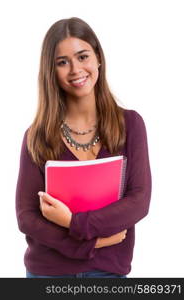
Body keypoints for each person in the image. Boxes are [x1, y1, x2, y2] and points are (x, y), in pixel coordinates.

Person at [15, 17, 152, 278]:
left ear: (98, 57)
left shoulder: (131, 125)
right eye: (62, 62)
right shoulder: (37, 136)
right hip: (48, 274)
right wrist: (92, 242)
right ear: (51, 71)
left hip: (108, 272)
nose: (75, 69)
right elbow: (27, 218)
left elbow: (138, 202)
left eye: (82, 56)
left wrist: (71, 222)